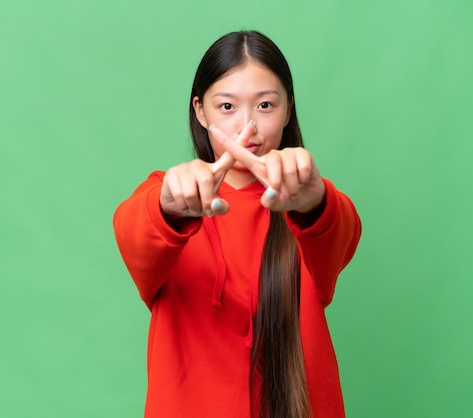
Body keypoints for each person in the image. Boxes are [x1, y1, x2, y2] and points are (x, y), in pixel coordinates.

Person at [113, 30, 362, 418]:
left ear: (288, 109)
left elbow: (342, 231)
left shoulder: (306, 204)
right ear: (200, 111)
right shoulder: (167, 195)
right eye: (227, 107)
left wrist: (313, 199)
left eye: (265, 105)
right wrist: (170, 204)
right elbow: (132, 231)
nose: (247, 128)